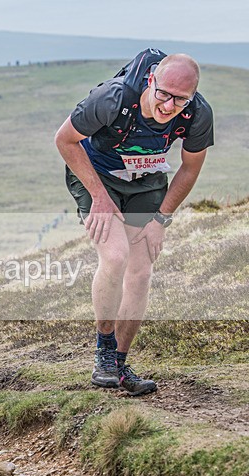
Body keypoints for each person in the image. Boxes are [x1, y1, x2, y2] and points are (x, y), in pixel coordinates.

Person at [55, 51, 213, 396]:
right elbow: (65, 140)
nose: (169, 106)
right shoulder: (113, 97)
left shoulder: (198, 113)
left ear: (192, 95)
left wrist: (161, 219)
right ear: (151, 80)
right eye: (163, 94)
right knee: (114, 256)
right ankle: (103, 353)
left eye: (180, 99)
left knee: (141, 271)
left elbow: (190, 167)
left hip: (147, 180)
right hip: (97, 176)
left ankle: (120, 364)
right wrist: (98, 195)